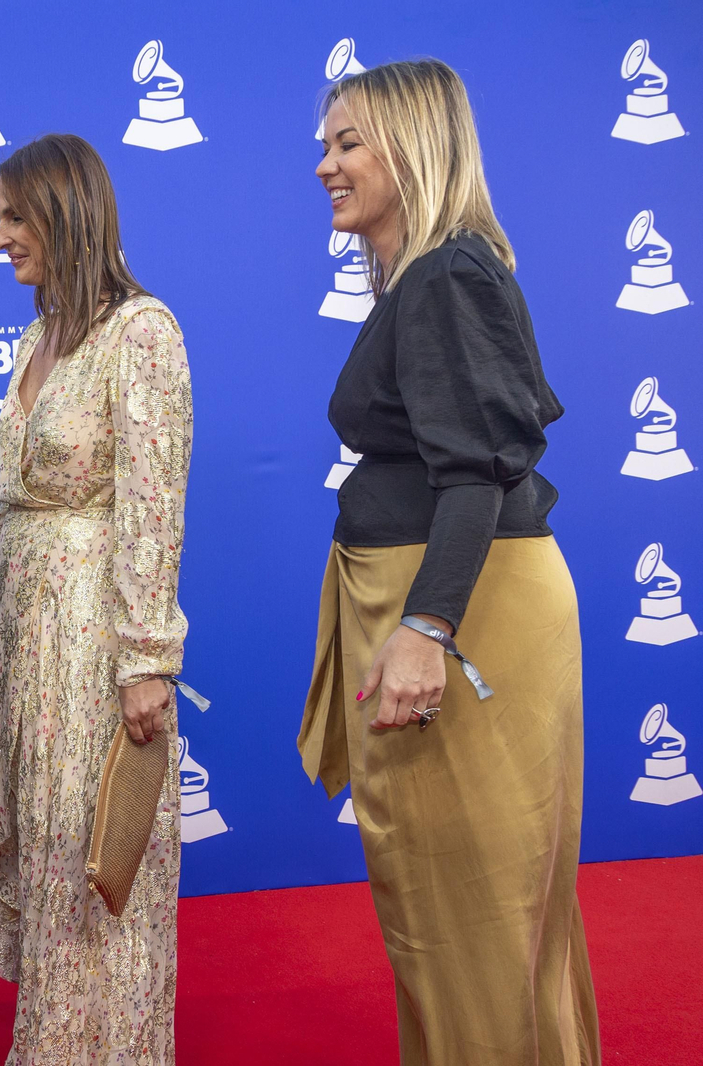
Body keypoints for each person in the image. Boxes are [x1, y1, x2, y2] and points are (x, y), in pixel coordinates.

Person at [302, 60, 599, 1065]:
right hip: (439, 600)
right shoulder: (426, 278)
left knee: (473, 920)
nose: (324, 165)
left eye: (348, 143)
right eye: (325, 144)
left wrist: (426, 628)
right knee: (455, 915)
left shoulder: (447, 276)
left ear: (414, 150)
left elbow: (476, 471)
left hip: (462, 613)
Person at [0, 133, 194, 1065]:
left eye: (15, 217)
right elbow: (16, 496)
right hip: (29, 638)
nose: (0, 238)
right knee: (51, 849)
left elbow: (153, 506)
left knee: (95, 856)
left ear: (65, 212)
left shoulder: (141, 332)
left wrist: (146, 661)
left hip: (96, 638)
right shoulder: (36, 337)